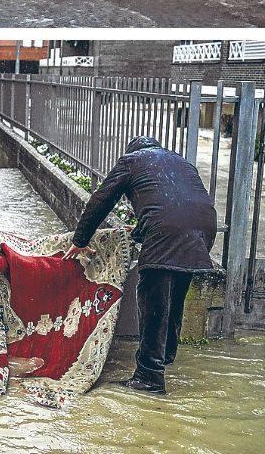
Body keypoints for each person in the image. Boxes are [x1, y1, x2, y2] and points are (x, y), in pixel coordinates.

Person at [64, 137, 217, 395]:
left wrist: (80, 240)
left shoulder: (131, 161)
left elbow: (101, 200)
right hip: (203, 230)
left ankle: (149, 377)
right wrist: (138, 232)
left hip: (169, 231)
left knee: (153, 301)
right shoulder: (182, 163)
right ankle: (165, 356)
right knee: (174, 295)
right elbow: (171, 205)